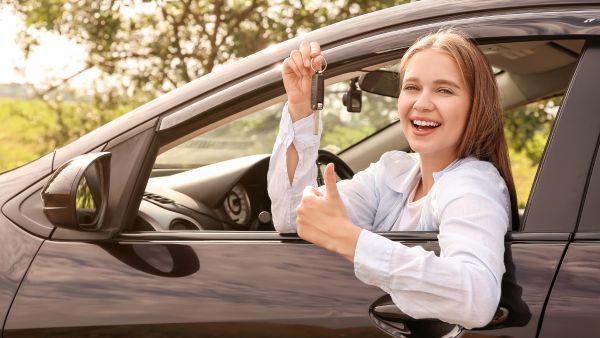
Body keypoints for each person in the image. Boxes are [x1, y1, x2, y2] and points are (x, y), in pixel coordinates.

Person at [267, 30, 518, 329]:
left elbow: (476, 299)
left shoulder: (472, 185)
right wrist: (300, 108)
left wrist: (349, 239)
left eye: (444, 90)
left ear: (476, 105)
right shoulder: (393, 173)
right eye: (412, 87)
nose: (422, 103)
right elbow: (295, 221)